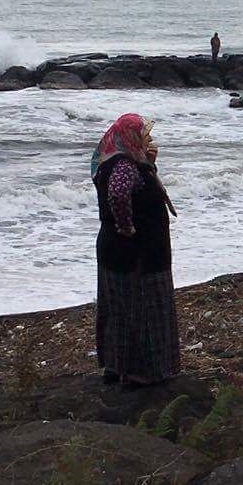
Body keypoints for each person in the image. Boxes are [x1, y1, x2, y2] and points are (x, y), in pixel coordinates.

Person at [92, 113, 180, 388]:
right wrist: (127, 227)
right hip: (137, 253)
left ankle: (116, 366)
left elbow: (129, 190)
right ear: (130, 137)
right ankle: (140, 373)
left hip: (118, 250)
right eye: (144, 135)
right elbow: (118, 194)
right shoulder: (125, 164)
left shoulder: (113, 160)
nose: (149, 139)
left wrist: (149, 164)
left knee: (119, 308)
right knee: (142, 309)